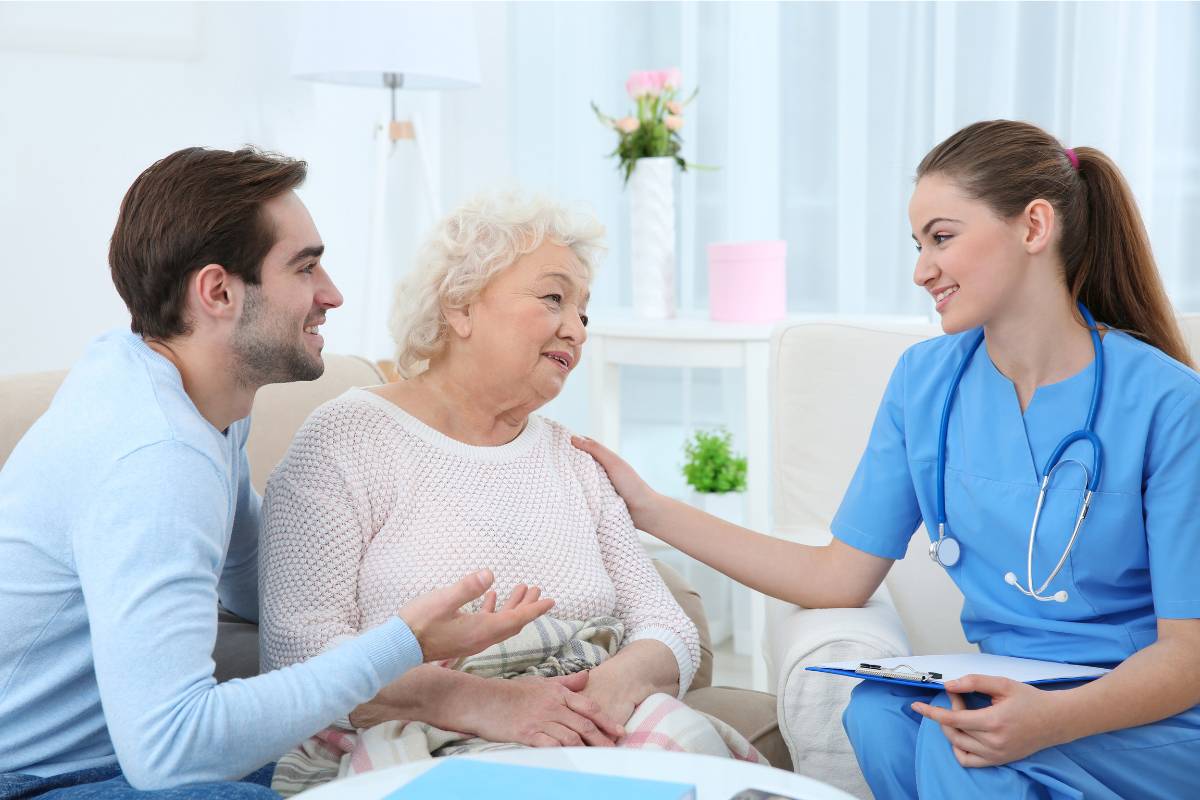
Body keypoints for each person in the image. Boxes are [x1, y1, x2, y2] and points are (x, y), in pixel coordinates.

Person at [574, 120, 1200, 798]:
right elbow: (837, 577)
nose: (921, 270)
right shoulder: (925, 382)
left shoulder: (1168, 403)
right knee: (879, 715)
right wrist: (651, 509)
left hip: (1138, 712)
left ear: (1033, 226)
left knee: (957, 750)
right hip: (1009, 692)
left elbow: (1188, 656)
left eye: (942, 237)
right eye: (918, 244)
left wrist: (1049, 721)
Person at [0, 148, 552, 798]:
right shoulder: (154, 457)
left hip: (112, 757)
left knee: (388, 763)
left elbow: (251, 577)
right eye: (305, 267)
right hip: (35, 776)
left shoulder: (198, 402)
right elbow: (170, 752)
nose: (332, 294)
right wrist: (402, 644)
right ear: (218, 292)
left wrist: (411, 607)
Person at [258, 191, 744, 794]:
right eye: (553, 298)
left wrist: (601, 695)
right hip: (421, 729)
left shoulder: (574, 459)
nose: (577, 329)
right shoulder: (346, 440)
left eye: (585, 313)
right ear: (460, 306)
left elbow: (667, 626)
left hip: (589, 722)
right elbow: (298, 653)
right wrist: (487, 703)